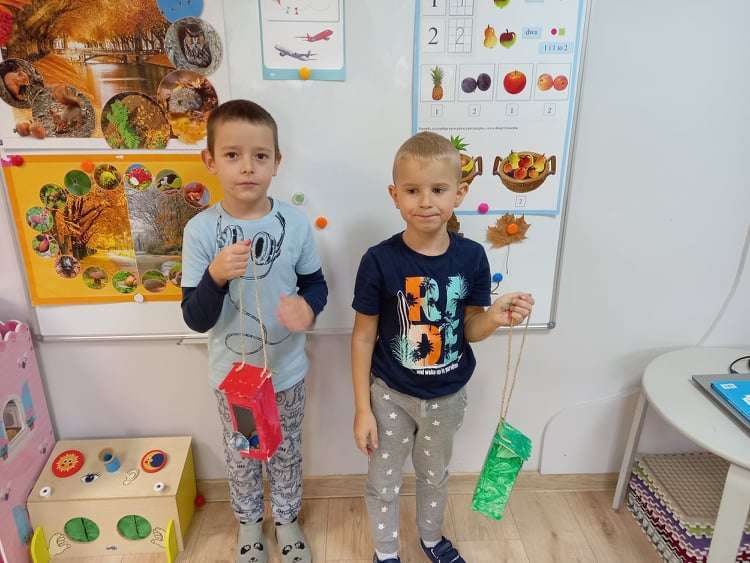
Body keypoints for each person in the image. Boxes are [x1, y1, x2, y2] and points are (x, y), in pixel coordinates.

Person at [351, 131, 534, 563]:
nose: (426, 201)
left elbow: (471, 328)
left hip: (447, 398)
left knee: (434, 475)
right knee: (384, 479)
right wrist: (362, 408)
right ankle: (385, 551)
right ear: (395, 196)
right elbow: (362, 336)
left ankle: (431, 539)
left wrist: (494, 317)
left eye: (438, 189)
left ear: (459, 193)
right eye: (412, 190)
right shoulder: (378, 260)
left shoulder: (471, 258)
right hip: (390, 396)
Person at [181, 99, 327, 563]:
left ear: (276, 162)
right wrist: (215, 276)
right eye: (232, 155)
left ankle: (286, 520)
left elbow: (316, 285)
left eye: (260, 156)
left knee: (285, 450)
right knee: (245, 452)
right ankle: (248, 523)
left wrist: (308, 308)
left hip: (287, 373)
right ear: (210, 161)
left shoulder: (295, 223)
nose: (247, 167)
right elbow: (196, 317)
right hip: (236, 380)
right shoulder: (201, 231)